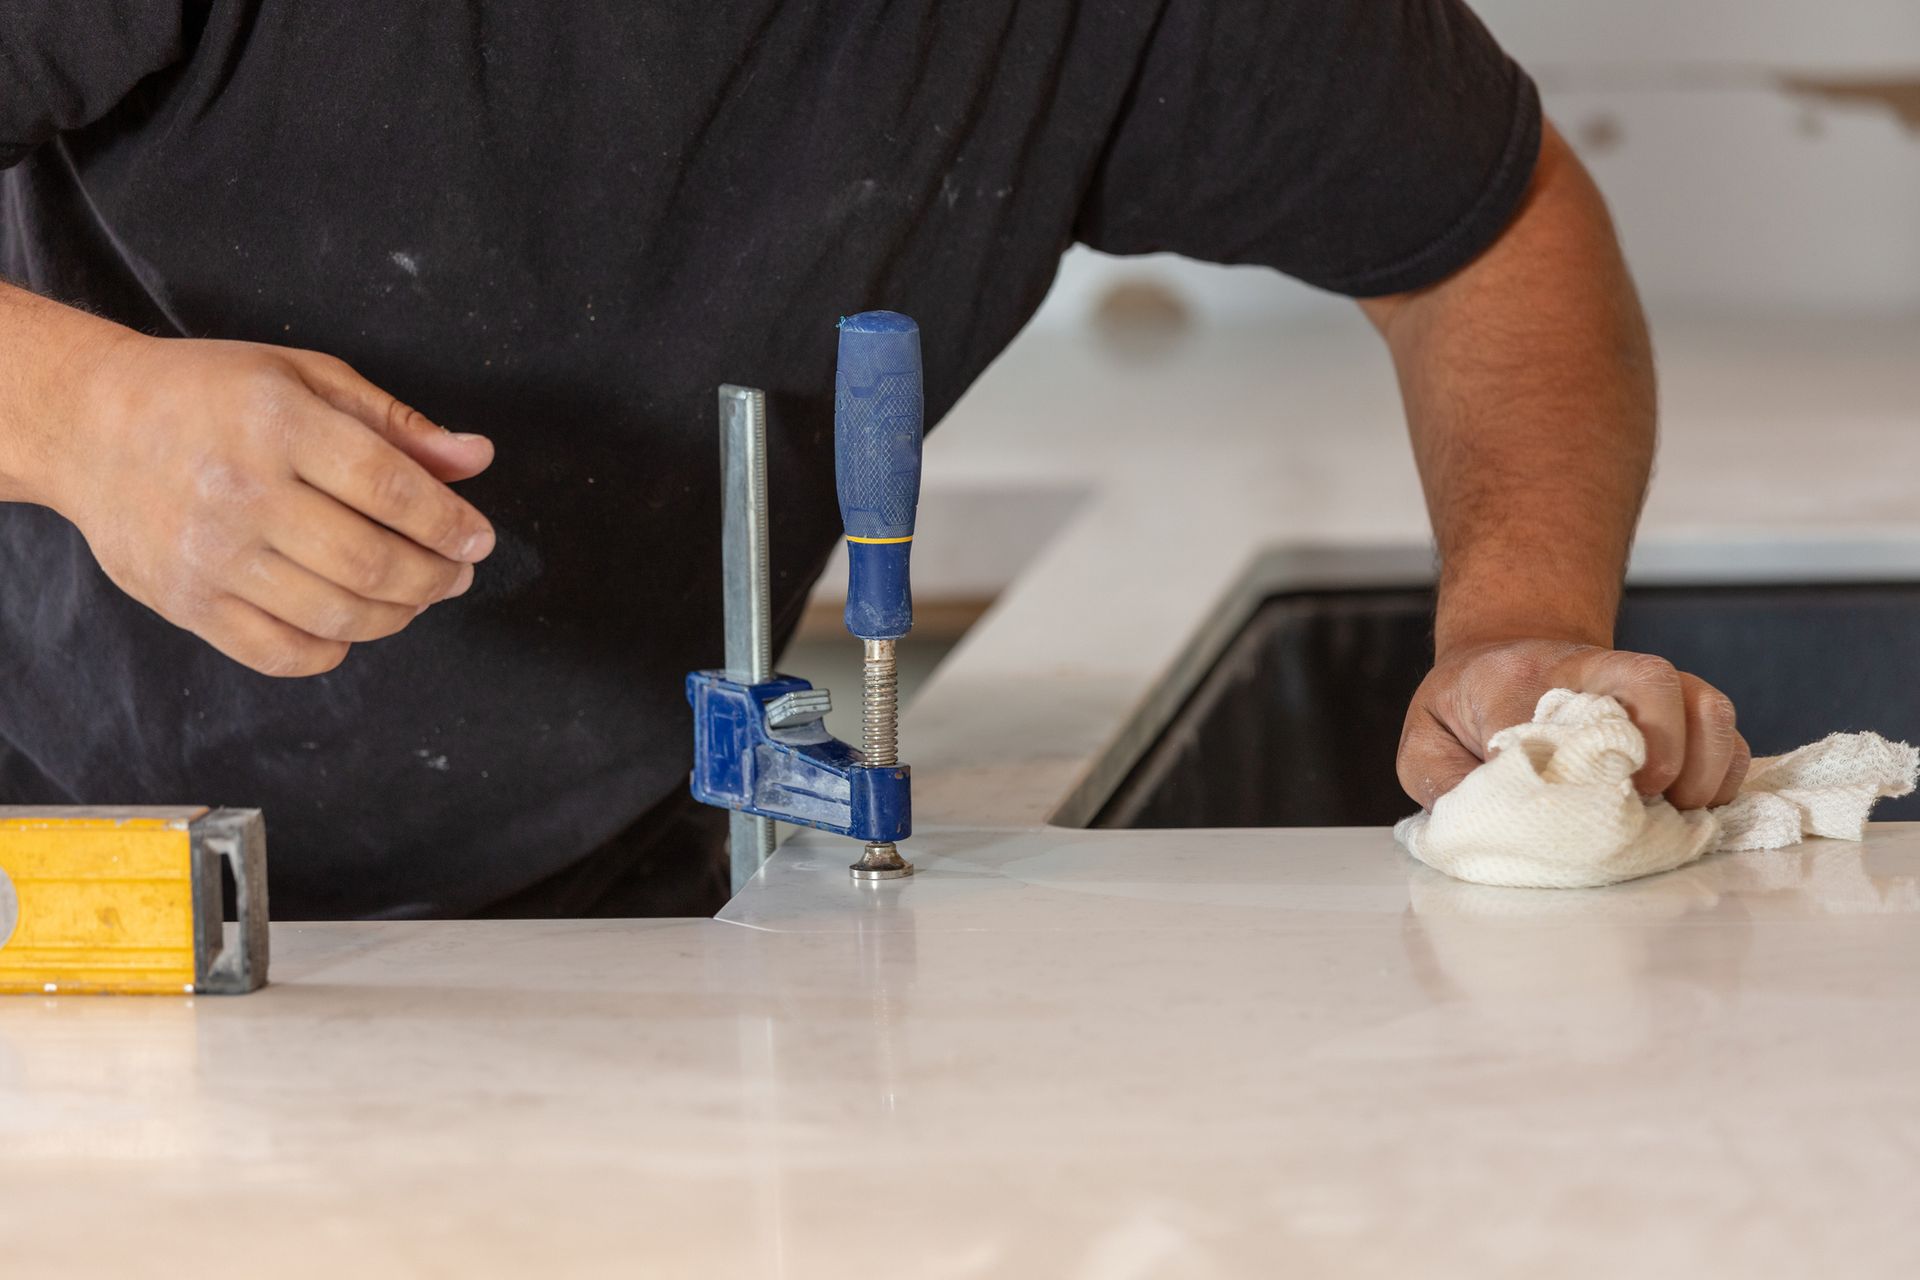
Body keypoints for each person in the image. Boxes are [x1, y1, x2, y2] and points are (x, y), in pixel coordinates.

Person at [0, 3, 1748, 919]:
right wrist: (83, 420)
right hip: (45, 896)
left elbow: (1488, 234)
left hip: (581, 919)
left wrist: (1514, 635)